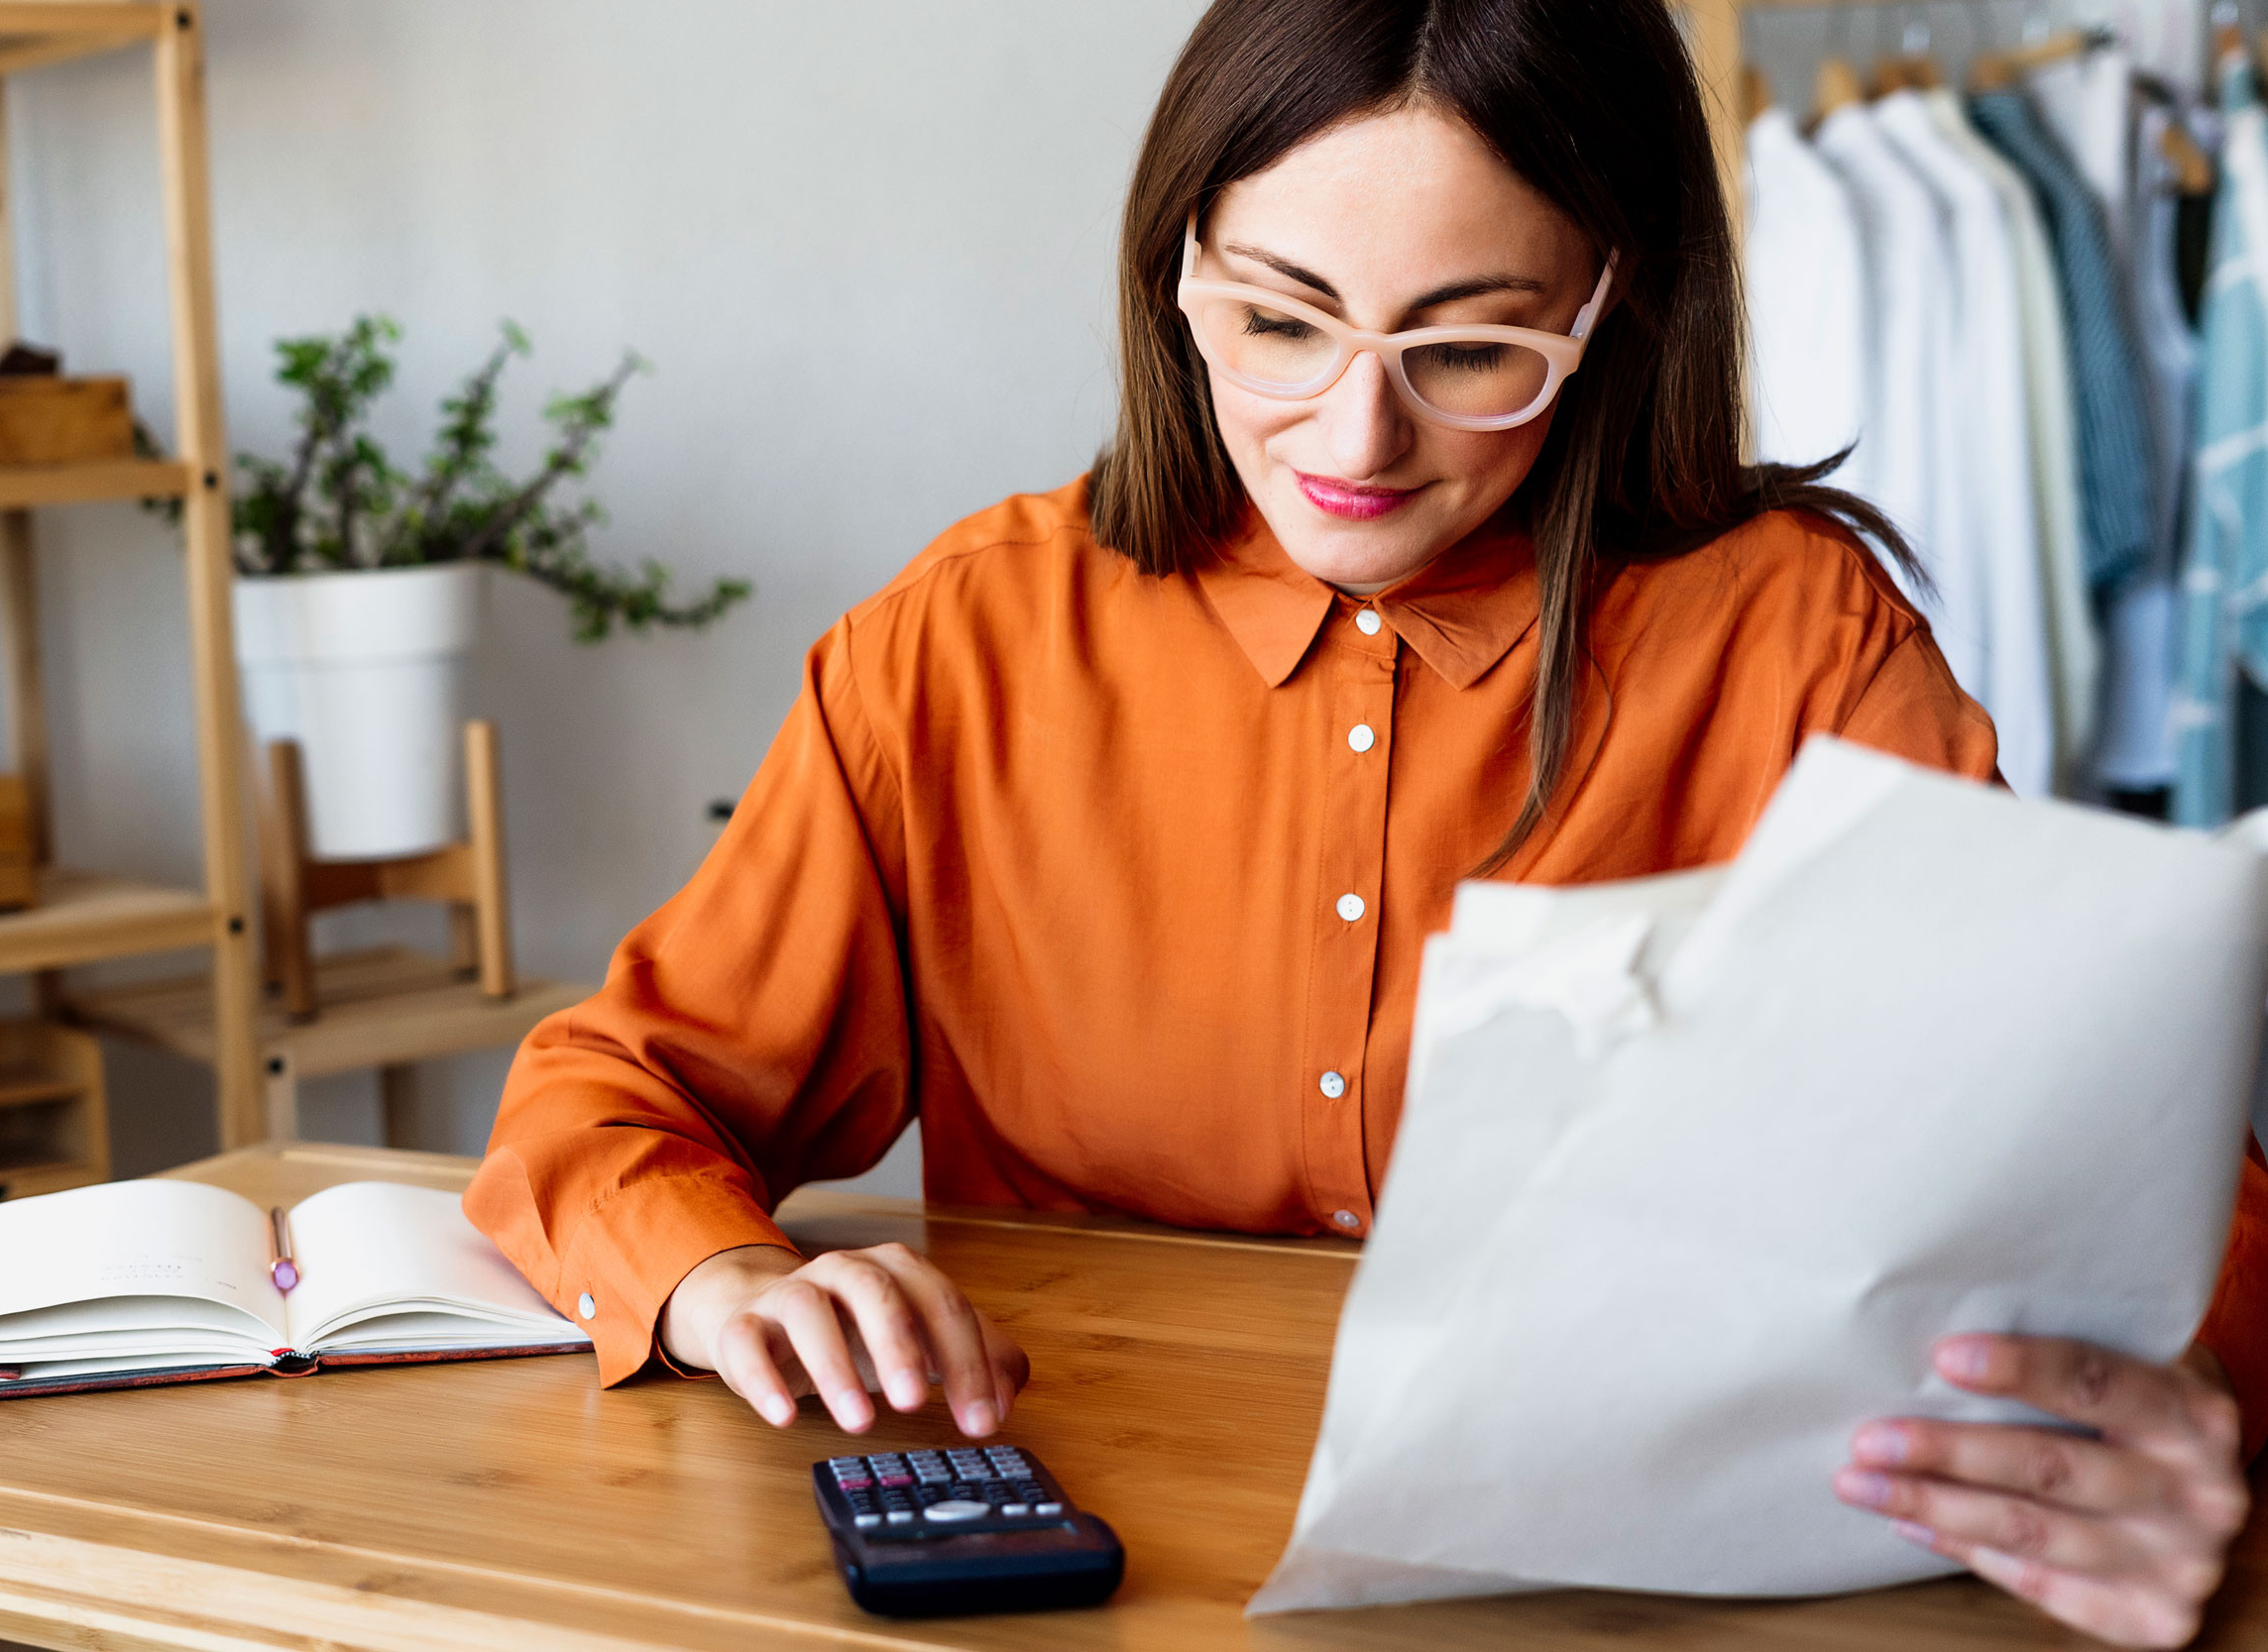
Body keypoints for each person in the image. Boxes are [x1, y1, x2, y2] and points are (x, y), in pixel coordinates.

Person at [469, 1, 2266, 1644]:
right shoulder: (961, 646)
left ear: (1611, 304)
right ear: (1179, 271)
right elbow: (611, 1088)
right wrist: (715, 1279)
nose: (1356, 433)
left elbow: (2123, 1172)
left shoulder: (1796, 641)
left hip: (1641, 1605)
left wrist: (2185, 1401)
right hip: (1091, 1582)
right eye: (1278, 321)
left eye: (1472, 350)